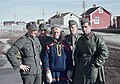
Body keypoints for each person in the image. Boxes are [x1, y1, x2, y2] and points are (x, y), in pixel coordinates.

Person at [73, 18, 109, 84]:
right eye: (82, 27)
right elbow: (76, 52)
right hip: (81, 66)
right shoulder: (80, 39)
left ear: (90, 26)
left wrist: (96, 64)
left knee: (92, 81)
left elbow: (104, 52)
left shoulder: (97, 38)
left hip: (93, 66)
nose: (84, 29)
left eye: (86, 27)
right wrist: (78, 62)